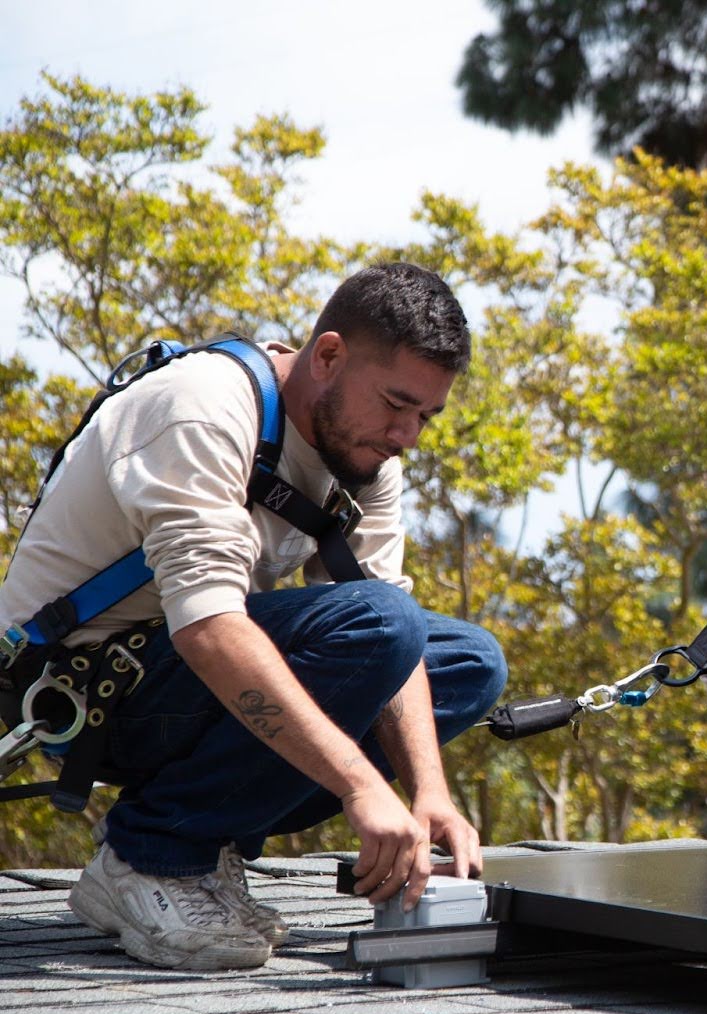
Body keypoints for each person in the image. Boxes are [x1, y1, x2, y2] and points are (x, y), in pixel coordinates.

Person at [0, 263, 506, 970]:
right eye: (396, 403)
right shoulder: (203, 408)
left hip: (181, 675)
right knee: (384, 625)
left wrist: (429, 793)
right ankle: (154, 857)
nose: (408, 435)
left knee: (466, 661)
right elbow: (209, 627)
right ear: (328, 356)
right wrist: (362, 786)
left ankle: (209, 842)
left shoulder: (364, 461)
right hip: (84, 690)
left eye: (425, 415)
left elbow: (400, 640)